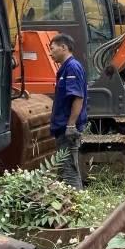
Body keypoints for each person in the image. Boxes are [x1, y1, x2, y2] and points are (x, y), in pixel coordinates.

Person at [48, 33, 88, 189]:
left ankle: (76, 207)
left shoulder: (72, 67)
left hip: (67, 128)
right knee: (65, 170)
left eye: (52, 49)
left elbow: (78, 97)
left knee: (69, 171)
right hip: (62, 128)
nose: (50, 53)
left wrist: (70, 125)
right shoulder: (66, 68)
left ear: (63, 47)